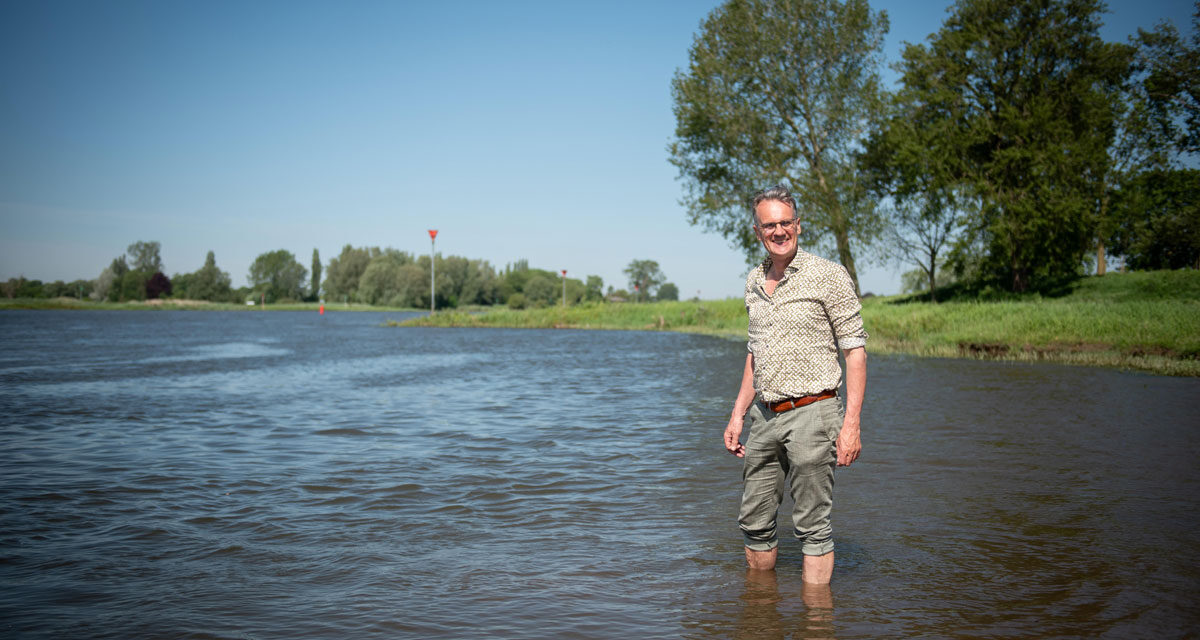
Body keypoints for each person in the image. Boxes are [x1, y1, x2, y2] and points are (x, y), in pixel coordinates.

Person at [723, 184, 867, 584]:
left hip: (814, 412)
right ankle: (760, 609)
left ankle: (817, 615)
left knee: (813, 527)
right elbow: (755, 352)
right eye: (769, 225)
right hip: (764, 417)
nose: (779, 231)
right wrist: (737, 415)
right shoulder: (754, 280)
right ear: (757, 231)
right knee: (754, 522)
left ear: (798, 225)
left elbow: (855, 352)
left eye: (785, 222)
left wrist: (851, 425)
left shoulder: (829, 275)